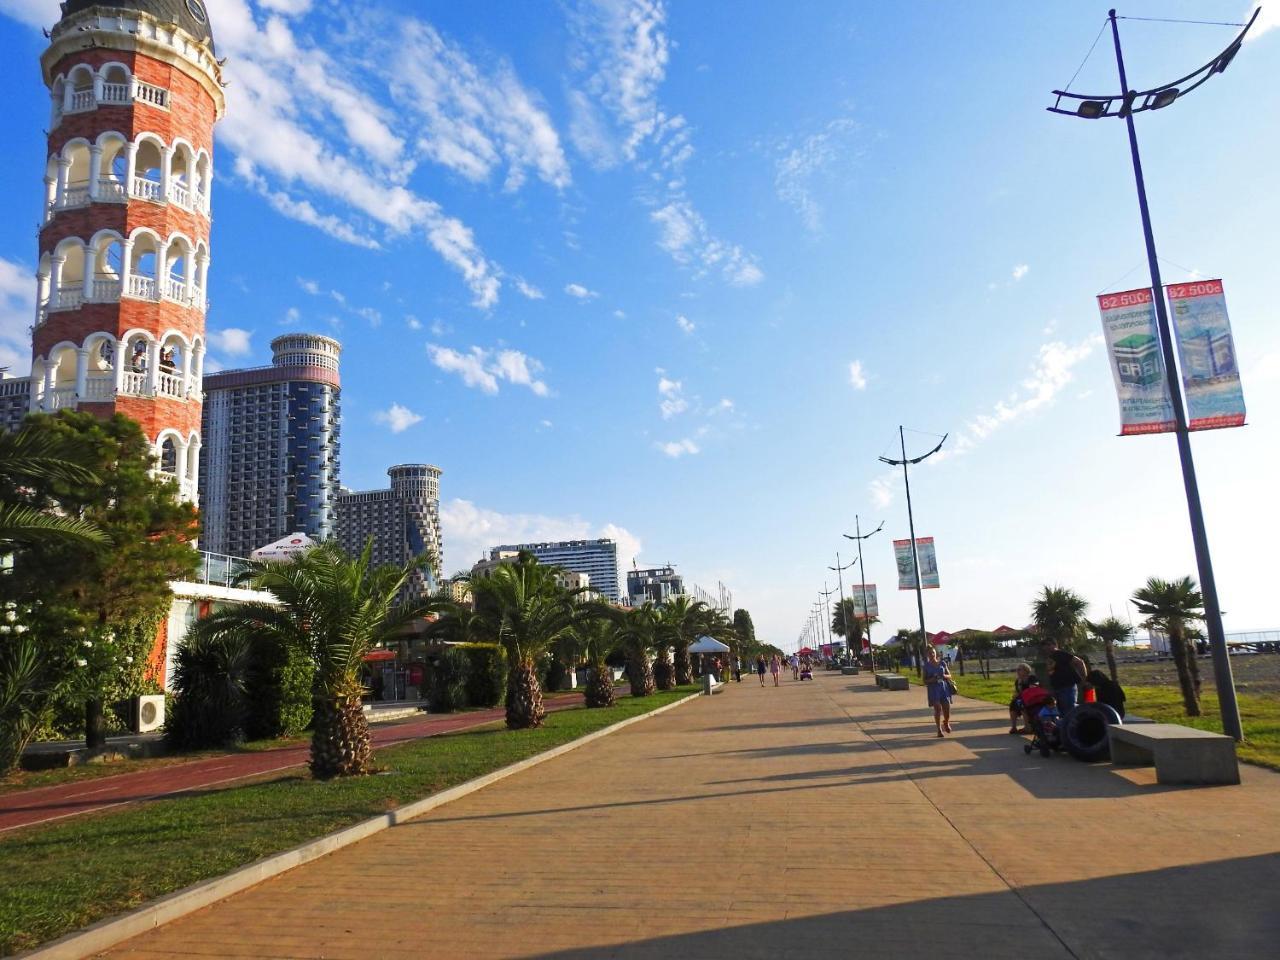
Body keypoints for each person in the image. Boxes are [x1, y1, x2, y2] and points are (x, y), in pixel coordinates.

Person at [1041, 639, 1087, 719]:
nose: (1046, 647)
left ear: (1055, 645)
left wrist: (1084, 677)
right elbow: (1051, 672)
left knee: (1069, 711)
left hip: (1068, 687)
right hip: (1058, 688)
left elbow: (1079, 662)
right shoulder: (1051, 657)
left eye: (1049, 645)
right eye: (1044, 645)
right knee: (1062, 712)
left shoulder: (1060, 654)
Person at [923, 647, 953, 737]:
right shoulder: (926, 666)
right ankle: (939, 729)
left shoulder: (942, 663)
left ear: (935, 653)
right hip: (933, 689)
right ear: (927, 655)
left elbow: (950, 675)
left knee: (947, 709)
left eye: (933, 652)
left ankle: (946, 722)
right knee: (938, 709)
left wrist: (943, 675)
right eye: (929, 653)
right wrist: (933, 679)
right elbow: (924, 681)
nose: (932, 655)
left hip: (944, 688)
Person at [1009, 662, 1038, 734]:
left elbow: (1033, 688)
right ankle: (1014, 727)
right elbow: (1018, 692)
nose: (1017, 671)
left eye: (1019, 670)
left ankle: (1028, 727)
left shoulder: (1031, 678)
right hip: (1022, 699)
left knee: (1022, 704)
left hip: (1032, 699)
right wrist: (1015, 694)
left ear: (1026, 670)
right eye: (1017, 670)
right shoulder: (1018, 681)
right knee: (1013, 704)